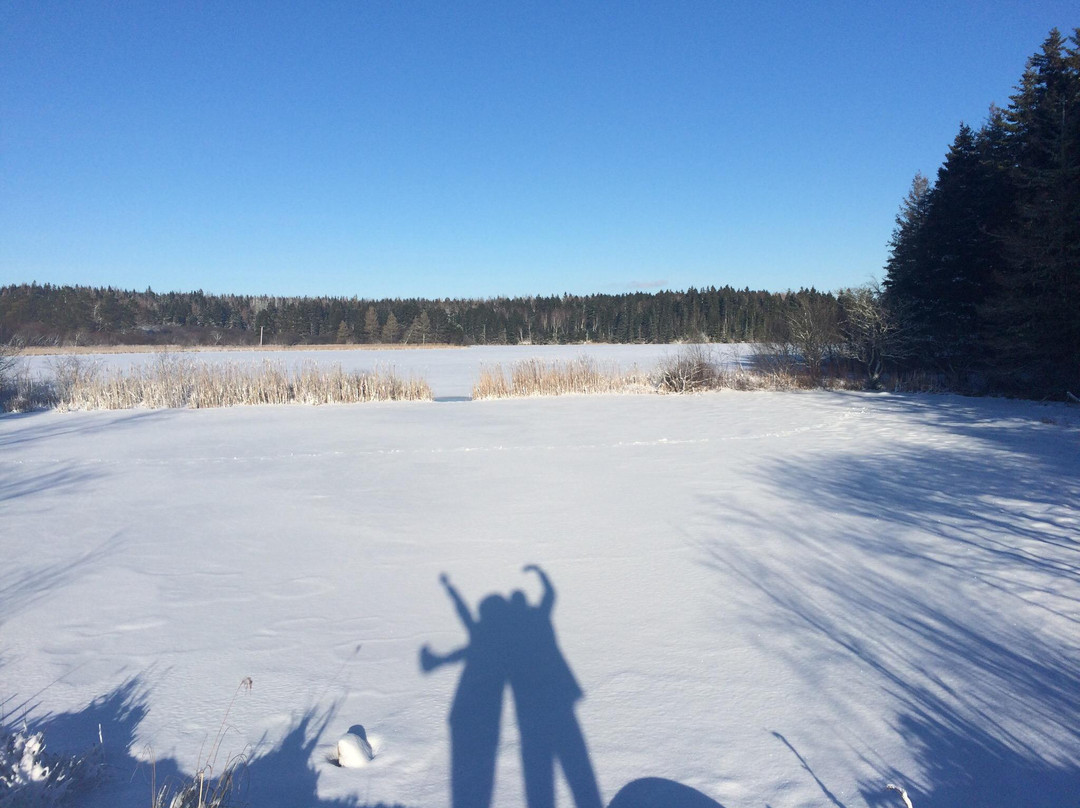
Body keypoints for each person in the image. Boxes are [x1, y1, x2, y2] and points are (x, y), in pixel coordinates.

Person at [507, 565, 602, 808]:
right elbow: (550, 595)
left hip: (534, 705)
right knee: (574, 760)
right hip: (557, 697)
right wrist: (540, 574)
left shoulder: (510, 632)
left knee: (540, 768)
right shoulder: (538, 617)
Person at [420, 574, 510, 808]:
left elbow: (466, 620)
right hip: (477, 708)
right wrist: (451, 590)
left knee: (476, 752)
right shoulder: (492, 636)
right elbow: (465, 618)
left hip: (481, 708)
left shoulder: (492, 637)